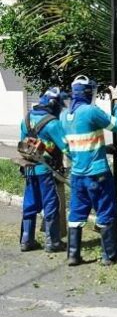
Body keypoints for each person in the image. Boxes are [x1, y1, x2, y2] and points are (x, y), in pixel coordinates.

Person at [61, 75, 117, 266]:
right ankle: (109, 256)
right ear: (88, 93)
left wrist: (102, 148)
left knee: (76, 215)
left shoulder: (64, 115)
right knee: (105, 212)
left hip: (78, 175)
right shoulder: (90, 111)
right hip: (98, 174)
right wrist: (116, 100)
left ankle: (73, 255)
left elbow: (75, 145)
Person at [18, 87, 70, 252]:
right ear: (54, 104)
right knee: (50, 204)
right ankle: (53, 242)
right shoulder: (52, 124)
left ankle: (26, 240)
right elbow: (66, 147)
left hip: (28, 169)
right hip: (46, 170)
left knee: (30, 203)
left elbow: (22, 144)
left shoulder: (26, 119)